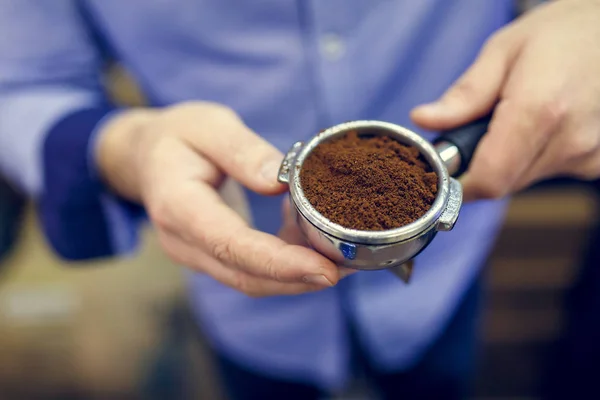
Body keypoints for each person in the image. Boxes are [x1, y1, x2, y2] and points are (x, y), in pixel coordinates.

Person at [1, 1, 599, 398]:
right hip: (239, 285)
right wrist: (125, 149)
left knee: (438, 377)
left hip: (444, 272)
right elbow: (23, 83)